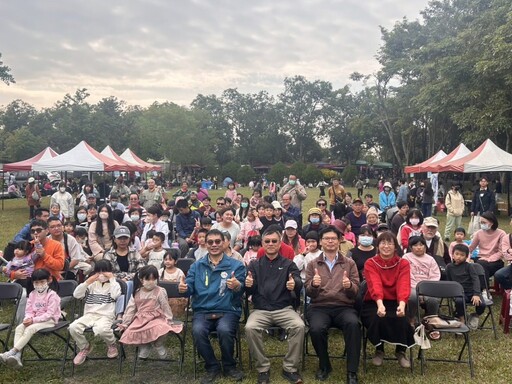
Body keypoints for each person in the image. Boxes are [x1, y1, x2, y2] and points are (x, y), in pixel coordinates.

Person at [179, 229, 246, 384]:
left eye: (218, 241)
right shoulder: (197, 266)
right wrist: (184, 289)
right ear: (205, 243)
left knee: (224, 330)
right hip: (203, 310)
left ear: (224, 243)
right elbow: (188, 288)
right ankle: (212, 366)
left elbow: (241, 291)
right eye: (210, 242)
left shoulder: (236, 265)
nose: (214, 245)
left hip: (227, 309)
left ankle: (229, 366)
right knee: (197, 330)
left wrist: (237, 285)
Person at [245, 227, 305, 384]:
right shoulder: (254, 265)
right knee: (250, 328)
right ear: (263, 244)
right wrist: (248, 284)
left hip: (284, 309)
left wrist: (295, 283)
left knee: (298, 325)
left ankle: (290, 368)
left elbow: (298, 281)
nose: (270, 244)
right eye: (267, 241)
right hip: (261, 310)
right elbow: (248, 289)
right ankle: (263, 368)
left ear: (280, 244)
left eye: (274, 241)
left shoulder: (288, 264)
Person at [305, 226, 361, 384]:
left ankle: (352, 371)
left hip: (344, 307)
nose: (330, 241)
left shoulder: (349, 264)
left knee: (353, 325)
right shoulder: (312, 264)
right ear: (321, 242)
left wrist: (349, 286)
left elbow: (355, 291)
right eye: (326, 238)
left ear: (339, 241)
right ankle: (324, 365)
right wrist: (314, 286)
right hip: (319, 307)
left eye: (333, 238)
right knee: (316, 329)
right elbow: (309, 293)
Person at [361, 232, 414, 368]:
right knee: (377, 318)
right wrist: (380, 303)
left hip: (396, 301)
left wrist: (402, 304)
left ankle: (401, 351)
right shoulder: (370, 263)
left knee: (402, 319)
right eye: (383, 243)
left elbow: (403, 284)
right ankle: (379, 350)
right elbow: (375, 283)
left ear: (395, 246)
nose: (386, 246)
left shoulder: (403, 263)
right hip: (374, 301)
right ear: (377, 246)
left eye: (390, 243)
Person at [117, 265, 182, 359]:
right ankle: (145, 345)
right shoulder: (136, 292)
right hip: (140, 319)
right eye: (148, 279)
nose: (151, 282)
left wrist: (169, 318)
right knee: (133, 330)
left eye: (154, 279)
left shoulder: (159, 291)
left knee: (162, 327)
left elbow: (165, 305)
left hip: (156, 317)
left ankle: (158, 344)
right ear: (141, 279)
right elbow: (130, 309)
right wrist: (125, 323)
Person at [0, 269, 61, 367]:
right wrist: (28, 318)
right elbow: (29, 311)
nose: (39, 285)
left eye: (42, 282)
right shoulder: (32, 294)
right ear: (33, 282)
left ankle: (11, 352)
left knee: (30, 329)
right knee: (19, 328)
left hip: (50, 320)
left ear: (49, 280)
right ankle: (18, 356)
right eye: (36, 282)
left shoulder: (52, 295)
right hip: (35, 319)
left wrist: (33, 320)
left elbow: (49, 314)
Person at [69, 260, 122, 365]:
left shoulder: (113, 284)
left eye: (105, 272)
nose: (102, 275)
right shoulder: (92, 285)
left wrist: (112, 279)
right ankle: (85, 347)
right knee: (73, 327)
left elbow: (116, 295)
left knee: (102, 330)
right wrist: (87, 282)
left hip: (106, 316)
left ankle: (111, 344)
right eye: (99, 272)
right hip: (89, 314)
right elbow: (77, 295)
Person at [402, 236, 441, 335]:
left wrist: (425, 289)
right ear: (411, 247)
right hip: (412, 286)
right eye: (415, 245)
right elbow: (407, 275)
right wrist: (418, 289)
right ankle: (412, 318)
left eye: (421, 245)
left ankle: (430, 320)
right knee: (413, 297)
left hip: (428, 287)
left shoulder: (430, 259)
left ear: (425, 246)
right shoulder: (406, 258)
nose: (419, 247)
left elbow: (435, 275)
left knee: (433, 299)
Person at [446, 244, 486, 329]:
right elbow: (449, 282)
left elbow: (475, 280)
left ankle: (475, 315)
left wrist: (476, 294)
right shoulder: (449, 267)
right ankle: (462, 319)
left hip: (471, 291)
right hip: (459, 292)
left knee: (482, 304)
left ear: (466, 257)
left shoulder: (469, 266)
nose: (459, 257)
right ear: (452, 255)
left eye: (462, 255)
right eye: (457, 254)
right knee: (459, 301)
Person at [468, 211, 509, 287]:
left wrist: (489, 259)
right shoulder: (479, 233)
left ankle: (482, 290)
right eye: (481, 223)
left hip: (496, 261)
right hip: (481, 258)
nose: (482, 225)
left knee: (481, 265)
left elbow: (501, 252)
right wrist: (466, 256)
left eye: (484, 222)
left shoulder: (501, 233)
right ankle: (483, 290)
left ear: (492, 222)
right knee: (480, 265)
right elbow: (471, 248)